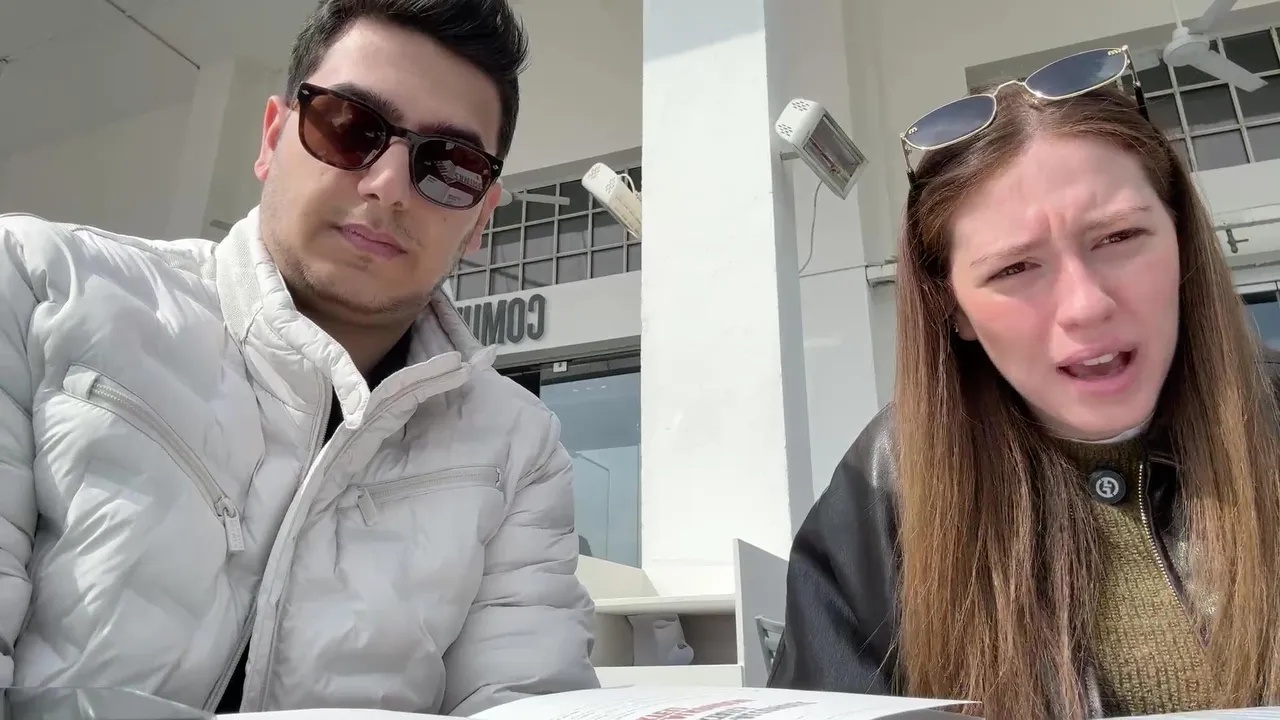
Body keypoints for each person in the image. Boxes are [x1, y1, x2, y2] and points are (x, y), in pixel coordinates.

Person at [0, 0, 599, 714]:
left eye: (450, 166)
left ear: (480, 218)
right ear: (273, 136)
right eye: (349, 127)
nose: (387, 186)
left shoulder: (519, 447)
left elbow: (526, 703)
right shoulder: (37, 287)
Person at [767, 47, 1280, 718]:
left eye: (1119, 237)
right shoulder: (883, 493)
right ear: (954, 309)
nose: (1086, 305)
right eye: (1014, 269)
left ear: (1181, 238)